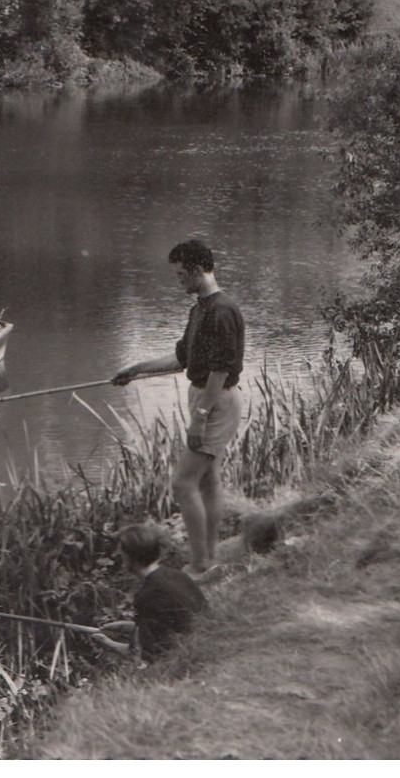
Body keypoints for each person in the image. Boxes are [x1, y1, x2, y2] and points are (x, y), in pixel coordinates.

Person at [111, 238, 245, 578]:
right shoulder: (200, 308)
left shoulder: (222, 311)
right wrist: (137, 369)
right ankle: (210, 555)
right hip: (206, 397)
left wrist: (201, 416)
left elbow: (221, 370)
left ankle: (199, 564)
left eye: (181, 274)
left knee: (183, 484)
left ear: (198, 270)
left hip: (215, 401)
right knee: (208, 480)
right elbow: (183, 359)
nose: (178, 281)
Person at [89, 522, 207, 661]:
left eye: (122, 554)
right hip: (204, 638)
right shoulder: (178, 575)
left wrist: (107, 643)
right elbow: (175, 622)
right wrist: (128, 627)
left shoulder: (146, 595)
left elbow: (146, 653)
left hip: (187, 655)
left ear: (130, 557)